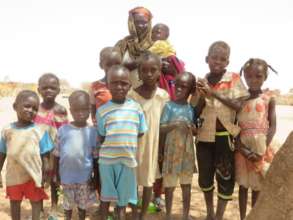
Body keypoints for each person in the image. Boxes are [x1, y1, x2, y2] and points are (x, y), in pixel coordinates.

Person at [194, 41, 249, 220]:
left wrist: (214, 93)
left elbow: (238, 106)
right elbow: (195, 109)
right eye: (214, 58)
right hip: (204, 137)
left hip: (225, 136)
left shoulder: (233, 79)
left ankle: (219, 216)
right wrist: (202, 96)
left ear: (227, 62)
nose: (217, 62)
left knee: (225, 178)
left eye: (222, 59)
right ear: (206, 59)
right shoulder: (201, 82)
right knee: (205, 177)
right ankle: (209, 213)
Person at [96, 65, 148, 220]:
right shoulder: (102, 111)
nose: (119, 86)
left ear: (130, 86)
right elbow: (102, 135)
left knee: (123, 201)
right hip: (107, 162)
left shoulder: (136, 108)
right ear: (108, 85)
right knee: (105, 198)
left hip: (127, 161)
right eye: (115, 82)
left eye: (124, 83)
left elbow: (141, 131)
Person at [0, 90, 54, 220]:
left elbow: (46, 155)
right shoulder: (7, 130)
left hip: (33, 175)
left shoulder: (40, 130)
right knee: (14, 202)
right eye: (27, 106)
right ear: (15, 106)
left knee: (36, 202)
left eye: (35, 108)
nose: (31, 110)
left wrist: (46, 173)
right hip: (14, 175)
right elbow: (2, 153)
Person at [128, 52, 169, 220]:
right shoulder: (131, 96)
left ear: (160, 71)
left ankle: (143, 214)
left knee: (148, 181)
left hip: (153, 145)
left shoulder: (163, 96)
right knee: (131, 181)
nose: (149, 74)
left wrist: (162, 149)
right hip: (132, 145)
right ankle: (134, 212)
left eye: (153, 70)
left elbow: (163, 125)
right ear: (138, 72)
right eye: (144, 70)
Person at [235, 58, 277, 220]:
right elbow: (235, 125)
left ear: (265, 77)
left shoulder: (268, 99)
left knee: (257, 187)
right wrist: (241, 147)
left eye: (258, 76)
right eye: (249, 76)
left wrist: (262, 150)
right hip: (242, 148)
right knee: (243, 186)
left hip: (260, 147)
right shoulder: (240, 100)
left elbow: (272, 126)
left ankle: (255, 217)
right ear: (244, 77)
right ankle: (242, 217)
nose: (253, 80)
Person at [53, 90, 97, 220]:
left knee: (82, 205)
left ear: (89, 110)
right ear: (71, 110)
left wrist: (96, 177)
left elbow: (95, 157)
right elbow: (56, 154)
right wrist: (56, 174)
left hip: (84, 177)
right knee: (67, 204)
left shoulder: (92, 132)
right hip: (66, 177)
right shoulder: (62, 130)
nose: (81, 113)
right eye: (77, 110)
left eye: (84, 109)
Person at [160, 72, 197, 220]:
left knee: (186, 184)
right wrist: (174, 124)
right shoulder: (168, 106)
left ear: (190, 90)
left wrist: (192, 128)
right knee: (169, 185)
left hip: (187, 152)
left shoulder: (190, 108)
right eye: (177, 85)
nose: (179, 89)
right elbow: (161, 128)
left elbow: (195, 131)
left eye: (184, 87)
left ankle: (185, 214)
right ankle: (168, 215)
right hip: (172, 152)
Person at [34, 73, 68, 218]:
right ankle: (40, 209)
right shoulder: (34, 109)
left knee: (55, 181)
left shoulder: (60, 110)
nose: (49, 91)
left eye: (52, 88)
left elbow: (65, 133)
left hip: (56, 154)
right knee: (38, 180)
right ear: (38, 90)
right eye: (45, 88)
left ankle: (54, 206)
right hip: (38, 153)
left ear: (58, 91)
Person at [115, 6, 154, 88]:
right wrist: (125, 67)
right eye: (137, 22)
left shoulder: (157, 45)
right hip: (124, 93)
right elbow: (111, 68)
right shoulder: (122, 44)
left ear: (149, 23)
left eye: (144, 22)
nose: (140, 26)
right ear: (131, 23)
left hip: (150, 96)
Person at [89, 47, 122, 125]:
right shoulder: (95, 87)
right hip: (103, 132)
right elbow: (93, 109)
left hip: (122, 130)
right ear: (101, 65)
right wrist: (97, 126)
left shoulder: (126, 86)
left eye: (117, 63)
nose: (113, 68)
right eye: (109, 64)